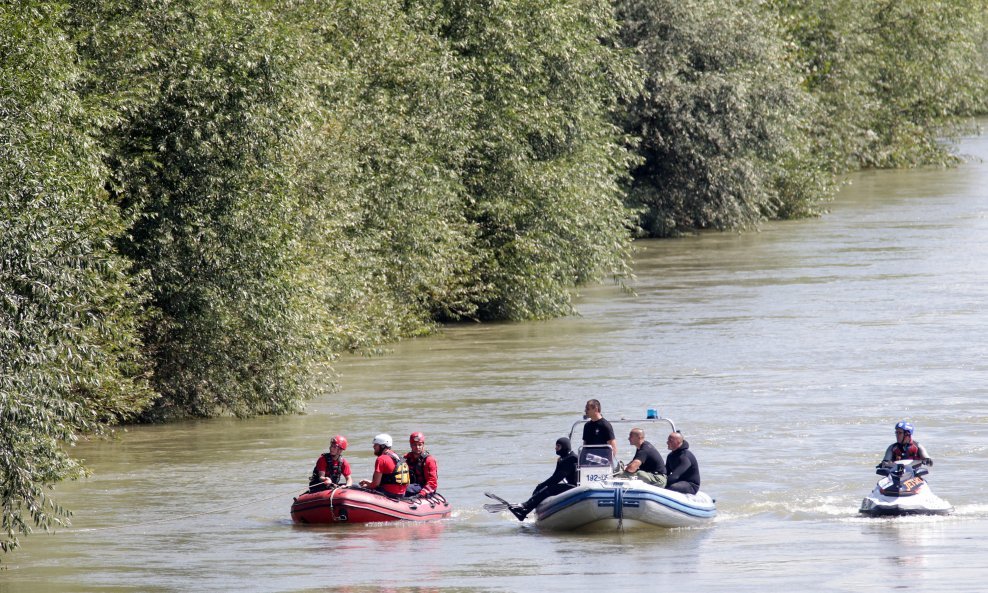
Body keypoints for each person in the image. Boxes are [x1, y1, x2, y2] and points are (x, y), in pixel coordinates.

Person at [508, 437, 579, 521]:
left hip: (576, 487)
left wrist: (543, 485)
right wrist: (540, 486)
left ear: (565, 446)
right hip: (570, 486)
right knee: (542, 488)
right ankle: (524, 511)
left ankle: (525, 506)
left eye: (558, 446)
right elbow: (555, 476)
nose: (555, 448)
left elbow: (557, 478)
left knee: (548, 489)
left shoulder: (572, 459)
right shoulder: (562, 459)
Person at [404, 431, 438, 497]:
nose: (417, 447)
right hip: (411, 485)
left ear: (423, 445)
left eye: (419, 445)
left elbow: (432, 482)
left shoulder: (429, 460)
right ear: (411, 445)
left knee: (406, 489)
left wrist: (422, 493)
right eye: (414, 445)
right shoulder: (407, 458)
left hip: (424, 487)